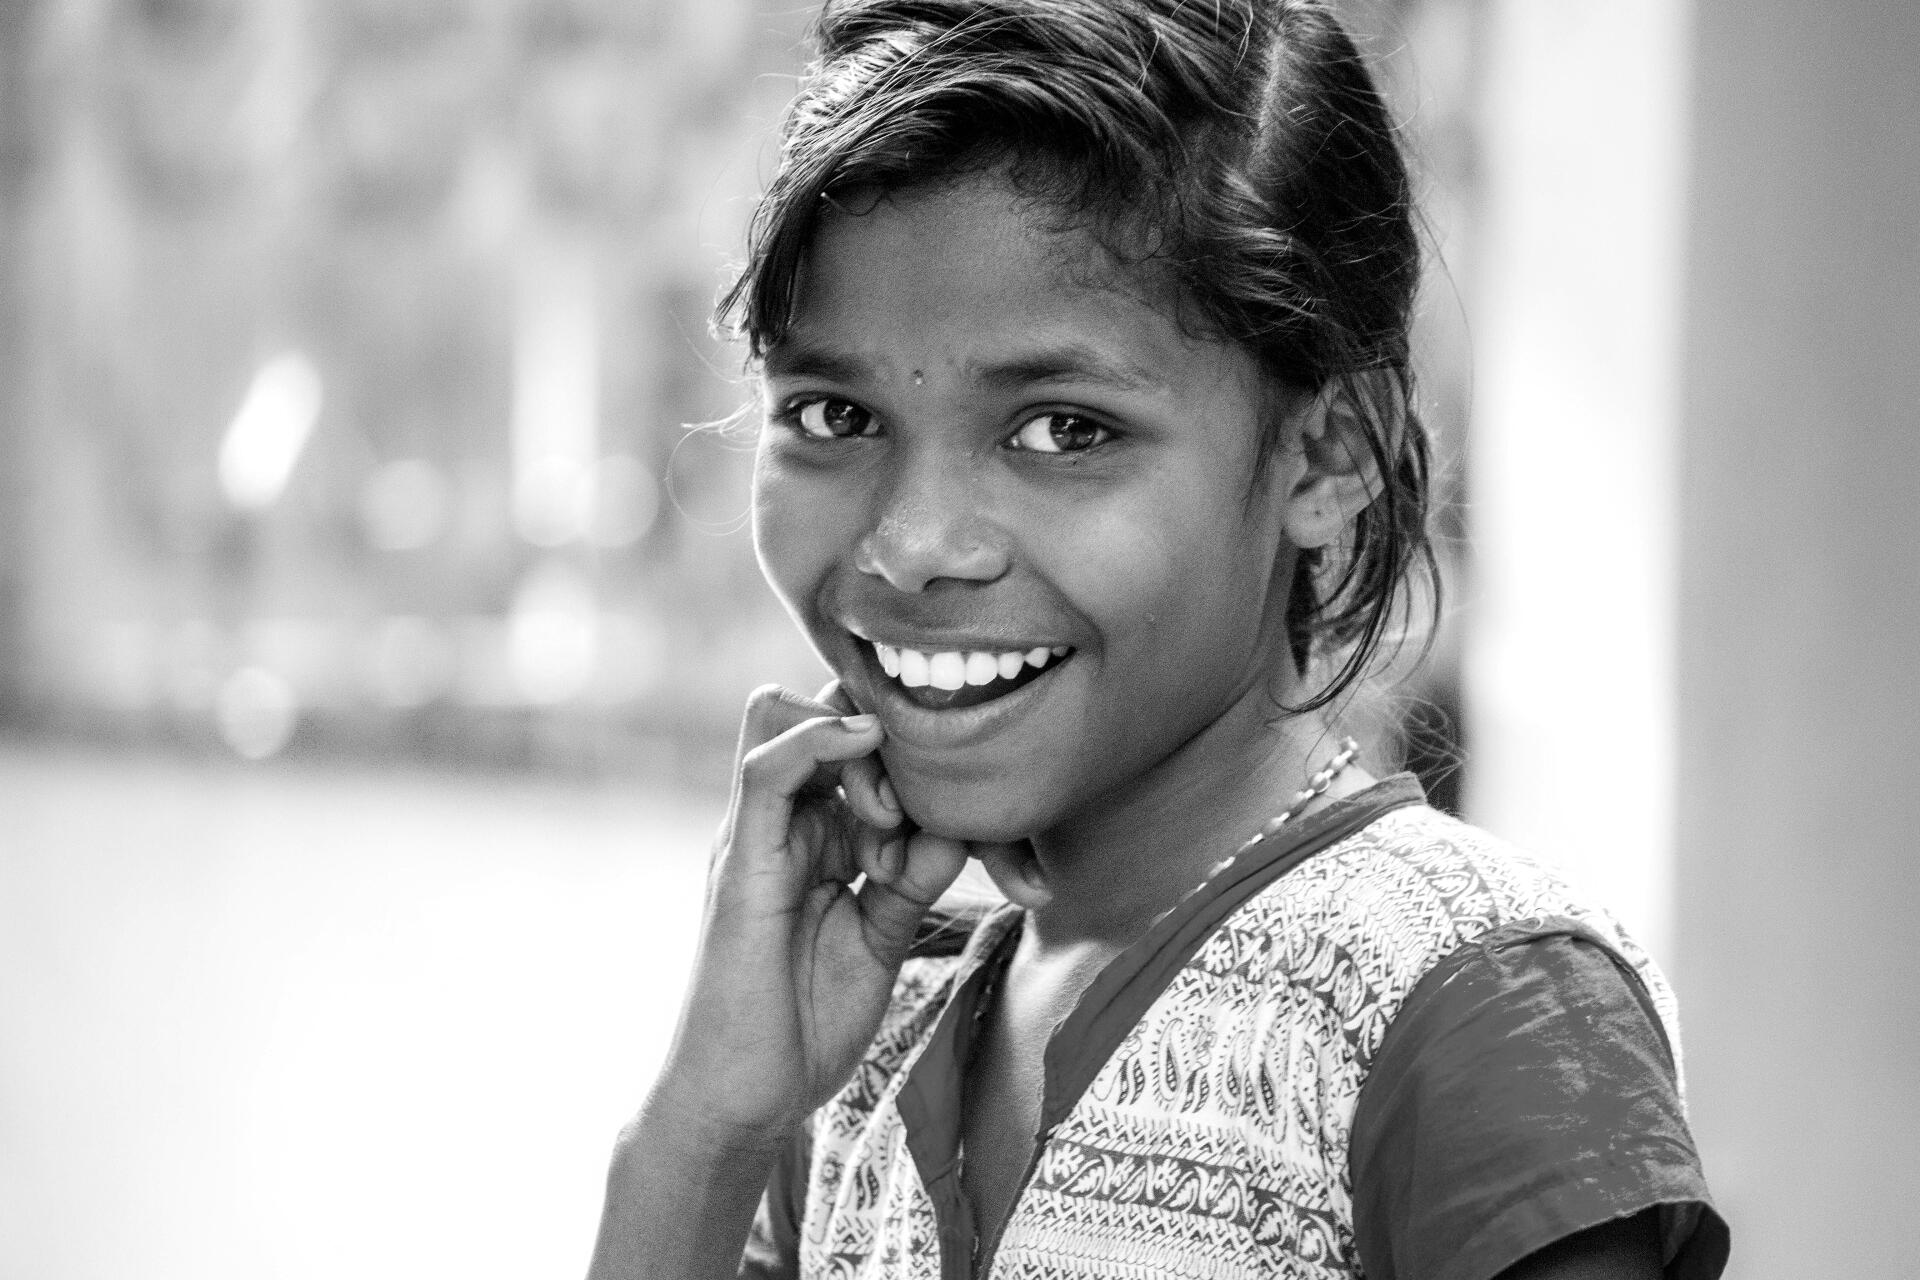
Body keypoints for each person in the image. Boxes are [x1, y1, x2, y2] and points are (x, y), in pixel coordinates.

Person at [587, 1, 1730, 1276]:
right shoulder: (859, 1041)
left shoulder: (1472, 1008)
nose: (909, 545)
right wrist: (707, 1125)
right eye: (834, 414)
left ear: (1327, 454)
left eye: (1065, 430)